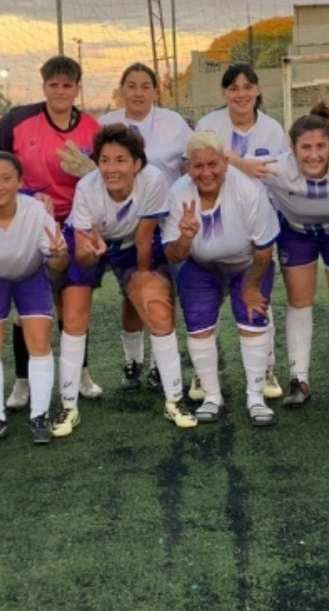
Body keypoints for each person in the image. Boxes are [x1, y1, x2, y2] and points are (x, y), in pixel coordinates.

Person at [234, 104, 329, 406]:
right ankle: (298, 378)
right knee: (299, 301)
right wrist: (239, 162)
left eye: (321, 146)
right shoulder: (276, 167)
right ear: (292, 149)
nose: (314, 154)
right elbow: (227, 161)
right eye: (306, 147)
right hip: (296, 231)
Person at [59, 124, 197, 434]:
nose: (111, 168)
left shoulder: (153, 181)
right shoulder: (87, 188)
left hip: (134, 242)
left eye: (120, 160)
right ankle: (68, 406)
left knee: (155, 304)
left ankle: (174, 398)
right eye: (104, 160)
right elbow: (81, 253)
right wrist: (92, 253)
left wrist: (137, 281)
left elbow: (145, 238)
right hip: (92, 243)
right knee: (73, 314)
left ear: (137, 164)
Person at [0, 55, 104, 408]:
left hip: (76, 223)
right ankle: (23, 380)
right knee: (27, 303)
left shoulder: (91, 128)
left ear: (77, 88)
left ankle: (80, 373)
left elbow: (106, 178)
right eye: (53, 84)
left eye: (67, 85)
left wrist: (91, 171)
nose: (60, 91)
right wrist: (26, 195)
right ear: (44, 86)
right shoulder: (17, 121)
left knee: (73, 300)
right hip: (30, 222)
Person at [162, 131, 281, 426]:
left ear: (226, 163)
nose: (206, 173)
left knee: (251, 316)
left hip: (247, 264)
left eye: (212, 164)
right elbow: (173, 255)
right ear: (188, 168)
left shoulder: (248, 189)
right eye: (198, 166)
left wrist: (251, 287)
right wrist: (186, 238)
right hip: (200, 265)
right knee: (198, 324)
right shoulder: (179, 193)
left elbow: (265, 250)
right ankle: (212, 395)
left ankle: (256, 396)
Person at [0, 152, 69, 446]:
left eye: (7, 178)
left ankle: (39, 416)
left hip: (30, 274)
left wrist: (59, 255)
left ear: (20, 181)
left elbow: (58, 263)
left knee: (39, 340)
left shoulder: (35, 211)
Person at [194, 64, 288, 399]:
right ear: (224, 93)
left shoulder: (273, 129)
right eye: (233, 88)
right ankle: (207, 371)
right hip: (213, 219)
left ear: (258, 90)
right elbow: (197, 161)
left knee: (258, 294)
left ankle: (266, 370)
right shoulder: (209, 125)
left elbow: (277, 176)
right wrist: (241, 163)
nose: (241, 94)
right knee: (210, 297)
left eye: (248, 86)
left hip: (256, 221)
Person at [98, 63, 193, 388]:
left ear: (155, 91)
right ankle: (132, 362)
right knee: (131, 294)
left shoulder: (174, 123)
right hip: (123, 225)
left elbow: (187, 165)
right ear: (122, 90)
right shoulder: (106, 123)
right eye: (132, 86)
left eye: (145, 86)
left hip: (166, 221)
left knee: (163, 292)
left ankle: (157, 364)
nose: (138, 92)